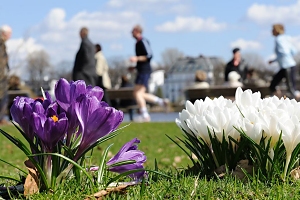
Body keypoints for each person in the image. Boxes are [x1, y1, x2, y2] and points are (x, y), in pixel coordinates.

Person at [129, 25, 169, 122]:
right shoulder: (138, 43)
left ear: (137, 31)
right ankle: (161, 102)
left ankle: (145, 116)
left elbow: (149, 55)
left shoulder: (143, 41)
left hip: (144, 71)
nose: (131, 33)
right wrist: (135, 67)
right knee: (139, 94)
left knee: (137, 93)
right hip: (141, 70)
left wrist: (137, 58)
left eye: (132, 31)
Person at [268, 23, 298, 98]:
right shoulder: (286, 38)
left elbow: (284, 52)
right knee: (274, 84)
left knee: (291, 89)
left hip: (287, 66)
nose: (271, 31)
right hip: (288, 65)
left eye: (273, 29)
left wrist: (273, 60)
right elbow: (293, 51)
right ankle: (277, 97)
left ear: (276, 30)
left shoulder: (279, 39)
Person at [0, 25, 12, 124]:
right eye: (9, 34)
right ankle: (1, 119)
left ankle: (2, 118)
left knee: (4, 97)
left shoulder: (3, 45)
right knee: (2, 97)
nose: (10, 36)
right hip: (1, 77)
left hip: (3, 77)